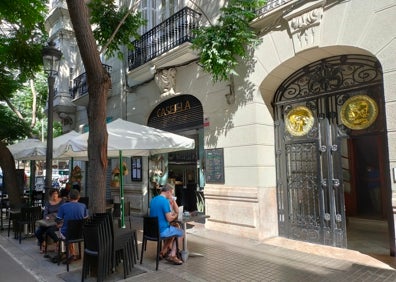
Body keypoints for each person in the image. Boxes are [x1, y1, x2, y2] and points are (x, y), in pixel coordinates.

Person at [149, 183, 184, 265]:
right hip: (161, 231)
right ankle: (173, 255)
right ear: (168, 192)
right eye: (171, 193)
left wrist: (172, 202)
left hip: (152, 231)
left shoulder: (154, 199)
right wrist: (175, 214)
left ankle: (163, 252)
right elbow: (170, 218)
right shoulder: (164, 201)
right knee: (181, 232)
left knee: (173, 229)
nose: (172, 195)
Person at [55, 189, 88, 261]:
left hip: (68, 234)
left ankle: (61, 250)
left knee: (61, 229)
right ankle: (67, 252)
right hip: (81, 234)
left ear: (69, 197)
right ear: (78, 197)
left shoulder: (63, 206)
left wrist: (60, 224)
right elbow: (85, 218)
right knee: (68, 229)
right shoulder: (83, 206)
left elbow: (58, 220)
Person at [35, 188, 64, 253]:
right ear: (50, 195)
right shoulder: (48, 203)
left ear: (58, 194)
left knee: (49, 231)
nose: (54, 195)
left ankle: (57, 243)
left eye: (56, 194)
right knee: (37, 232)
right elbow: (45, 214)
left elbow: (64, 212)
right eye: (53, 194)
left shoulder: (62, 202)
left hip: (58, 221)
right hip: (49, 222)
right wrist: (47, 217)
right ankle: (43, 243)